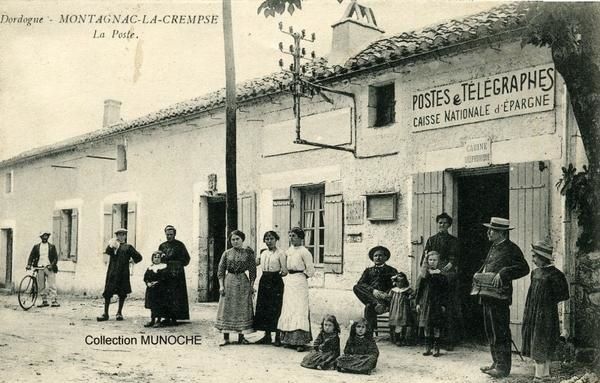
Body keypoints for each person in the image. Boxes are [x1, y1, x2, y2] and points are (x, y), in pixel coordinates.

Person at [475, 217, 530, 378]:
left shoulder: (511, 248)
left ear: (501, 233)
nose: (488, 232)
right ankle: (496, 362)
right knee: (491, 331)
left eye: (491, 230)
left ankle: (503, 368)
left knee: (500, 332)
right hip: (487, 295)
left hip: (500, 297)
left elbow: (524, 268)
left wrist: (504, 273)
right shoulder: (494, 246)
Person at [522, 240, 569, 382]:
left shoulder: (556, 275)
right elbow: (531, 294)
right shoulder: (535, 273)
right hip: (534, 312)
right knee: (535, 340)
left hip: (547, 314)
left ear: (543, 258)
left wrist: (547, 303)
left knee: (543, 341)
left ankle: (541, 375)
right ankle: (544, 375)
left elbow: (563, 294)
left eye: (535, 256)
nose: (533, 259)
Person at [421, 212, 462, 350]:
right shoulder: (431, 240)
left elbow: (454, 259)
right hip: (433, 276)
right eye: (440, 222)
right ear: (437, 224)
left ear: (449, 225)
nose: (442, 225)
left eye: (445, 223)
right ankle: (430, 341)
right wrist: (429, 270)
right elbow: (425, 257)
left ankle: (449, 340)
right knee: (431, 308)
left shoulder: (453, 240)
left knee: (448, 307)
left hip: (447, 275)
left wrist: (444, 271)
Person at [215, 230, 256, 346]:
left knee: (242, 308)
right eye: (233, 239)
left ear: (242, 239)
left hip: (243, 281)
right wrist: (221, 285)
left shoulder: (248, 253)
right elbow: (220, 271)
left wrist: (252, 286)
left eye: (237, 239)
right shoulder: (226, 253)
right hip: (229, 281)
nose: (235, 241)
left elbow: (253, 271)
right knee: (226, 308)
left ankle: (241, 337)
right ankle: (225, 337)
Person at [278, 227, 315, 352]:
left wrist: (303, 275)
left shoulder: (305, 252)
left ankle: (300, 341)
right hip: (289, 281)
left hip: (300, 281)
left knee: (300, 308)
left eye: (294, 236)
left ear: (300, 237)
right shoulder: (288, 251)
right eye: (290, 236)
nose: (291, 238)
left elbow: (311, 270)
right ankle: (288, 340)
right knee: (289, 307)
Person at [97, 228, 143, 321]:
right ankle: (105, 313)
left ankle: (119, 313)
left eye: (123, 235)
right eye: (119, 235)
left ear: (125, 236)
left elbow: (139, 257)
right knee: (108, 293)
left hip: (123, 273)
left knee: (122, 293)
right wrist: (111, 245)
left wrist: (132, 261)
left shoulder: (128, 247)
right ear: (116, 236)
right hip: (112, 272)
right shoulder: (113, 245)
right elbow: (107, 252)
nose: (121, 237)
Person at [253, 231, 288, 346]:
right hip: (264, 280)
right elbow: (255, 264)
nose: (269, 241)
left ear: (276, 240)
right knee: (264, 307)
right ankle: (266, 336)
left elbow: (284, 271)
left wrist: (275, 276)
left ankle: (277, 337)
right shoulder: (263, 253)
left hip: (275, 281)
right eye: (267, 239)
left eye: (271, 239)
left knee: (275, 307)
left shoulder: (280, 253)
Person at [353, 246, 398, 331]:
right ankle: (370, 332)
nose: (378, 258)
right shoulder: (368, 271)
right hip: (373, 297)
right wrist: (373, 291)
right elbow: (361, 284)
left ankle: (377, 304)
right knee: (356, 287)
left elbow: (396, 285)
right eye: (375, 256)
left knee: (369, 306)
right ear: (373, 258)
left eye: (380, 255)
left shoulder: (392, 270)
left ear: (385, 257)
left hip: (386, 299)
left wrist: (386, 294)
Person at [416, 251, 449, 357]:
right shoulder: (424, 274)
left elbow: (445, 292)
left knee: (436, 325)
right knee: (426, 325)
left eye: (435, 260)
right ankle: (427, 346)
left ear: (438, 261)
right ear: (427, 261)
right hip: (426, 302)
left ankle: (436, 346)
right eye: (430, 260)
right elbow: (419, 290)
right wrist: (417, 303)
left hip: (437, 303)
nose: (432, 262)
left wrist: (444, 304)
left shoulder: (442, 275)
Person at [158, 225, 191, 325]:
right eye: (167, 235)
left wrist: (178, 265)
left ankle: (175, 317)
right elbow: (158, 258)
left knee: (176, 295)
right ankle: (166, 317)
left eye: (171, 235)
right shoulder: (162, 246)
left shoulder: (180, 245)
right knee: (166, 295)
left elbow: (187, 259)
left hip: (177, 274)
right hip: (166, 273)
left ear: (174, 234)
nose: (169, 236)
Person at [26, 231, 59, 307]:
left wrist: (52, 265)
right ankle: (44, 301)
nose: (45, 237)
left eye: (46, 236)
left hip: (49, 268)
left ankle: (54, 301)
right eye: (43, 236)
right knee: (41, 285)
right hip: (39, 267)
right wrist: (29, 264)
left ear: (48, 237)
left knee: (52, 284)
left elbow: (55, 258)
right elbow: (31, 256)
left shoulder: (52, 246)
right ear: (41, 237)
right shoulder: (36, 247)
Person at [388, 271, 415, 346]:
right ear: (396, 282)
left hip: (404, 309)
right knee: (397, 325)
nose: (400, 283)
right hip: (395, 309)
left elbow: (413, 294)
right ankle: (397, 339)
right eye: (398, 282)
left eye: (402, 282)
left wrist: (410, 297)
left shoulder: (406, 290)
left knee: (404, 324)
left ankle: (403, 338)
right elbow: (389, 297)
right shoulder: (393, 290)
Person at [143, 250, 168, 328]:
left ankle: (158, 320)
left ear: (161, 258)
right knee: (152, 305)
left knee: (159, 305)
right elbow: (145, 277)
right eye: (154, 257)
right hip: (151, 289)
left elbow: (164, 278)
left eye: (158, 257)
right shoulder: (150, 267)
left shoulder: (163, 267)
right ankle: (152, 320)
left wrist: (156, 282)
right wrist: (147, 283)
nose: (156, 259)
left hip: (160, 290)